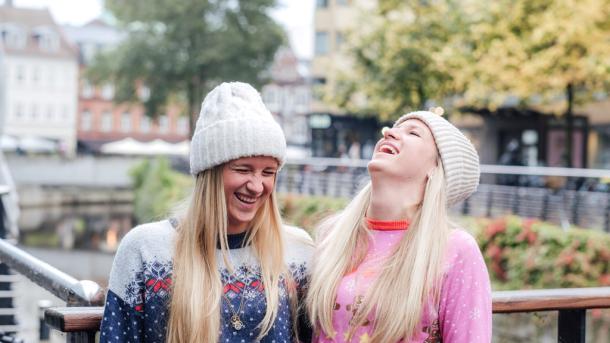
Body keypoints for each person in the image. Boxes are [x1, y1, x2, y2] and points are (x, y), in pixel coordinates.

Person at [99, 82, 314, 343]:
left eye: (268, 172)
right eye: (243, 169)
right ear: (209, 172)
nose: (257, 186)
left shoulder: (298, 253)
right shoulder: (145, 250)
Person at [307, 108, 492, 342]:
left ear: (436, 168)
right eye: (393, 128)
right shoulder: (332, 235)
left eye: (413, 133)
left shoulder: (455, 249)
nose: (389, 132)